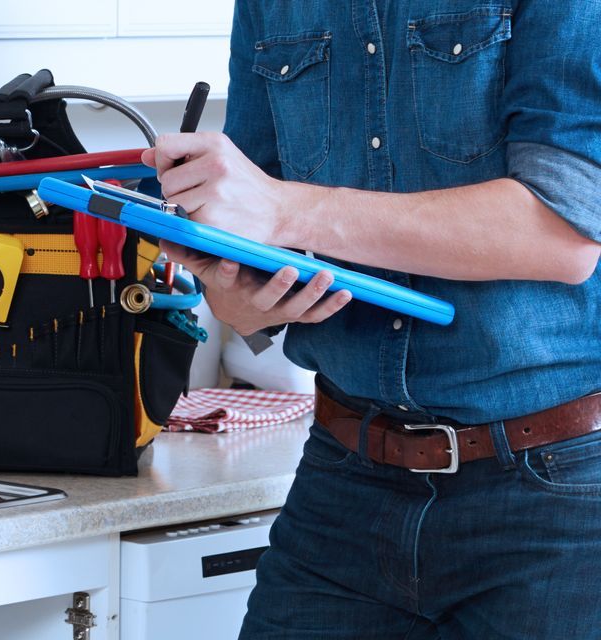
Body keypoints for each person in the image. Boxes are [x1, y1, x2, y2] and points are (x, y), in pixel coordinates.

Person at [141, 1, 601, 638]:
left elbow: (564, 228)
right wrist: (236, 290)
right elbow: (246, 237)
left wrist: (284, 211)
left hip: (555, 500)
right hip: (342, 485)